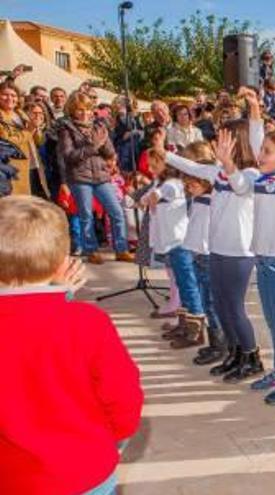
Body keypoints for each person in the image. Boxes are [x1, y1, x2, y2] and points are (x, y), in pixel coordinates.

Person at [0, 195, 143, 495]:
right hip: (83, 471)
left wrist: (57, 293)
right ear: (62, 262)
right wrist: (108, 441)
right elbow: (123, 398)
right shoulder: (87, 322)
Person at [220, 89, 275, 401]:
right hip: (264, 259)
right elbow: (240, 182)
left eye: (269, 152)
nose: (261, 154)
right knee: (272, 322)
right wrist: (254, 108)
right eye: (262, 151)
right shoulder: (259, 179)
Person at [163, 100, 260, 385]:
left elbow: (240, 186)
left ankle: (251, 356)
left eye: (224, 139)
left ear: (237, 143)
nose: (217, 143)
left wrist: (229, 164)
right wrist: (165, 155)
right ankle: (234, 352)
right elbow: (191, 165)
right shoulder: (217, 172)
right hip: (217, 249)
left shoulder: (250, 174)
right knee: (220, 306)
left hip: (239, 253)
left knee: (235, 308)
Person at [140, 148, 210, 349]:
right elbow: (146, 197)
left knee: (188, 286)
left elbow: (164, 192)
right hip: (171, 243)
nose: (152, 169)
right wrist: (146, 196)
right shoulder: (159, 183)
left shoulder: (174, 184)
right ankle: (183, 323)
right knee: (181, 283)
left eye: (156, 165)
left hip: (180, 243)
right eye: (150, 165)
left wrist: (155, 194)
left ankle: (195, 332)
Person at [57, 91, 134, 264]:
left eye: (87, 109)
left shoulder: (99, 127)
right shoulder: (66, 130)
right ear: (72, 110)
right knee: (86, 215)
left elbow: (109, 152)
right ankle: (90, 250)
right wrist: (93, 146)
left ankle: (121, 249)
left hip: (101, 175)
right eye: (79, 110)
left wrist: (105, 143)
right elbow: (69, 156)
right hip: (79, 177)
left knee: (117, 211)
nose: (84, 113)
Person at [176, 142, 226, 366]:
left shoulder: (211, 200)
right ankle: (214, 342)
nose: (187, 187)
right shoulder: (198, 198)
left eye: (192, 183)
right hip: (197, 254)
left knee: (212, 303)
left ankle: (220, 344)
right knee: (207, 302)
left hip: (207, 255)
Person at [0, 81, 49, 197]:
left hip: (33, 165)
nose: (9, 98)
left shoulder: (20, 113)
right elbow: (7, 141)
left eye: (13, 95)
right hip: (12, 168)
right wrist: (29, 131)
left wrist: (37, 127)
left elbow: (37, 141)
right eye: (5, 94)